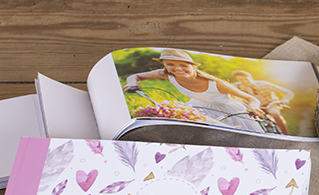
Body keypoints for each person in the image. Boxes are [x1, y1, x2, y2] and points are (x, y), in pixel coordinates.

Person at [122, 49, 265, 132]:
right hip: (199, 107)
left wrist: (252, 106)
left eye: (184, 65)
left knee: (234, 135)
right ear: (165, 65)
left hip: (227, 111)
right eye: (170, 64)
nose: (177, 69)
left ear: (193, 66)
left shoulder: (217, 84)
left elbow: (252, 99)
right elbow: (136, 76)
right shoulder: (166, 75)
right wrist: (132, 83)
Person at [232, 70, 294, 135]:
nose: (244, 81)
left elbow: (289, 92)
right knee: (243, 118)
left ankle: (286, 135)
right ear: (237, 80)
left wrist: (285, 100)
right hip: (254, 107)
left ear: (250, 77)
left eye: (246, 79)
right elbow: (224, 87)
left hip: (270, 104)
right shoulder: (237, 86)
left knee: (274, 113)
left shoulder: (264, 84)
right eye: (240, 79)